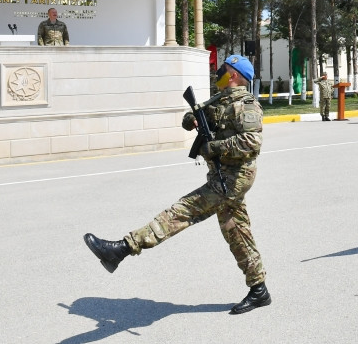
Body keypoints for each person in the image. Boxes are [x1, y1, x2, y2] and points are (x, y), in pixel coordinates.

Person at [83, 54, 270, 315]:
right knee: (236, 232)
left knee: (182, 211)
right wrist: (190, 120)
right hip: (220, 176)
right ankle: (259, 290)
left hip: (234, 179)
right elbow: (194, 115)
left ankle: (123, 248)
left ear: (235, 75)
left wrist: (213, 147)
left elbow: (252, 142)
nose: (219, 73)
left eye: (224, 70)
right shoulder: (221, 100)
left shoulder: (247, 105)